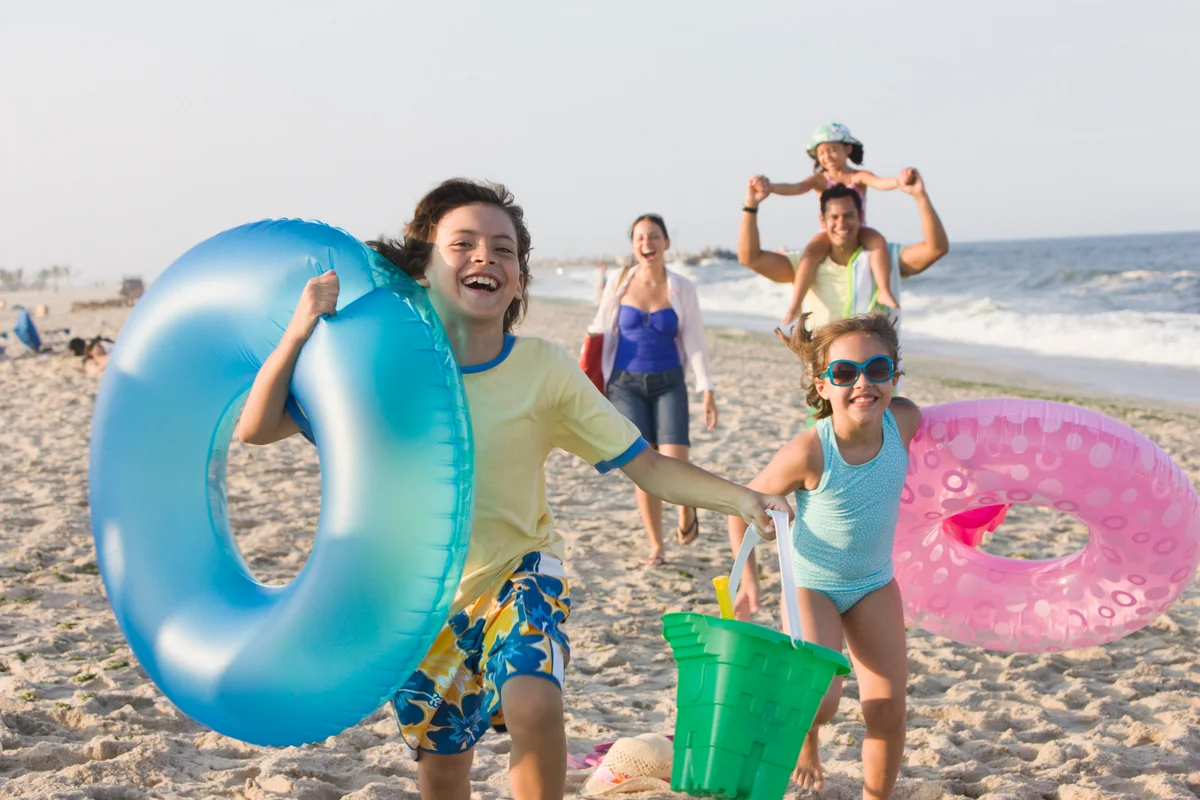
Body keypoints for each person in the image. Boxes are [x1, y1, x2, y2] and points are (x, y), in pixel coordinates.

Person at [234, 179, 793, 800]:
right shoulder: (385, 369)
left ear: (520, 280)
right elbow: (257, 427)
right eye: (463, 244)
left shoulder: (543, 370)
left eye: (504, 250)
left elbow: (649, 466)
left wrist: (742, 497)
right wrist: (299, 329)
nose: (485, 257)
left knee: (533, 704)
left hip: (520, 571)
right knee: (445, 766)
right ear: (422, 269)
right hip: (418, 603)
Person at [729, 314, 919, 799]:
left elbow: (961, 448)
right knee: (822, 702)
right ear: (823, 385)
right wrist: (748, 580)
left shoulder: (905, 421)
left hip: (874, 582)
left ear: (895, 375)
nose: (863, 383)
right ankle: (807, 739)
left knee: (888, 708)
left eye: (877, 369)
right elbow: (741, 506)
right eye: (844, 373)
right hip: (812, 585)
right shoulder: (811, 451)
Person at [588, 214, 718, 566]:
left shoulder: (682, 288)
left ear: (666, 243)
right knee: (644, 465)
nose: (647, 243)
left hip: (669, 382)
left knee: (676, 461)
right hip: (624, 384)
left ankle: (686, 505)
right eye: (641, 238)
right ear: (633, 246)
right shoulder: (618, 283)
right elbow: (598, 329)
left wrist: (706, 387)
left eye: (654, 236)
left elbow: (694, 340)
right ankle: (656, 544)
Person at [738, 167, 947, 331]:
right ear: (822, 220)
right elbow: (750, 258)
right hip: (827, 377)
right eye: (834, 217)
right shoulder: (806, 264)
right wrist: (751, 205)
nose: (841, 224)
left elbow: (935, 248)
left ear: (860, 217)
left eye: (848, 216)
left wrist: (919, 195)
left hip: (874, 377)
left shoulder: (883, 257)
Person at [764, 124, 906, 324]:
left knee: (878, 242)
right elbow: (796, 187)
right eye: (821, 153)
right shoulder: (820, 180)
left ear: (847, 149)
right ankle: (795, 304)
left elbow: (880, 182)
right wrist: (771, 188)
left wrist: (899, 181)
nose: (827, 157)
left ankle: (883, 290)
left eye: (832, 150)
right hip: (828, 233)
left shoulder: (858, 177)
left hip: (857, 229)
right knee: (810, 253)